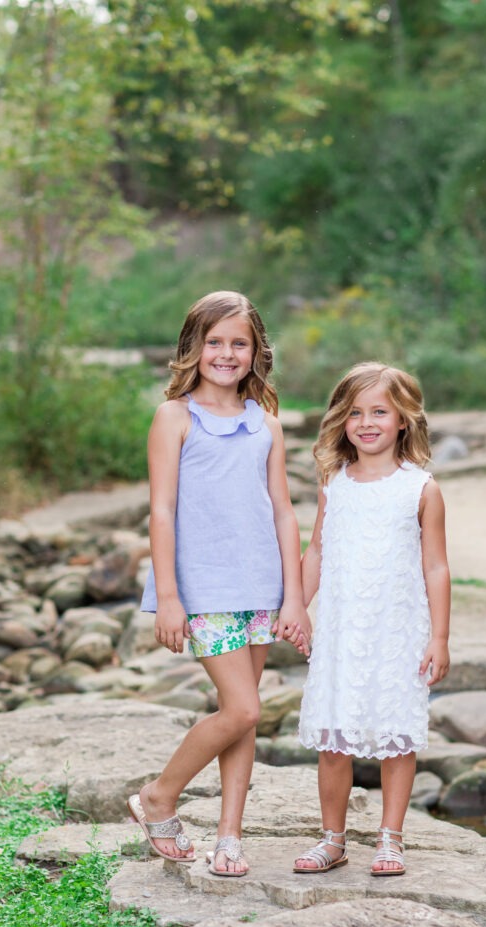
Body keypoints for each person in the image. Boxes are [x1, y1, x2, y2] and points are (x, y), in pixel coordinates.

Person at [129, 290, 311, 877]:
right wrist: (170, 596)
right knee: (244, 707)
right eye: (215, 342)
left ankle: (230, 835)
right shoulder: (174, 417)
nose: (227, 353)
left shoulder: (266, 424)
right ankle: (159, 795)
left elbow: (283, 511)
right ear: (193, 348)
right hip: (204, 589)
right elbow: (161, 511)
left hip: (260, 585)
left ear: (257, 351)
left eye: (240, 343)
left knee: (246, 715)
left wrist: (294, 597)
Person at [293, 362, 450, 877]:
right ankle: (333, 840)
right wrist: (296, 604)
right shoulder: (334, 484)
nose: (366, 422)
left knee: (396, 734)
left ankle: (390, 839)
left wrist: (440, 638)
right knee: (333, 739)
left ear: (403, 419)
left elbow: (436, 566)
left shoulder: (420, 488)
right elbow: (316, 550)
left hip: (397, 630)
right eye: (355, 412)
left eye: (379, 411)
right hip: (342, 631)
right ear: (341, 420)